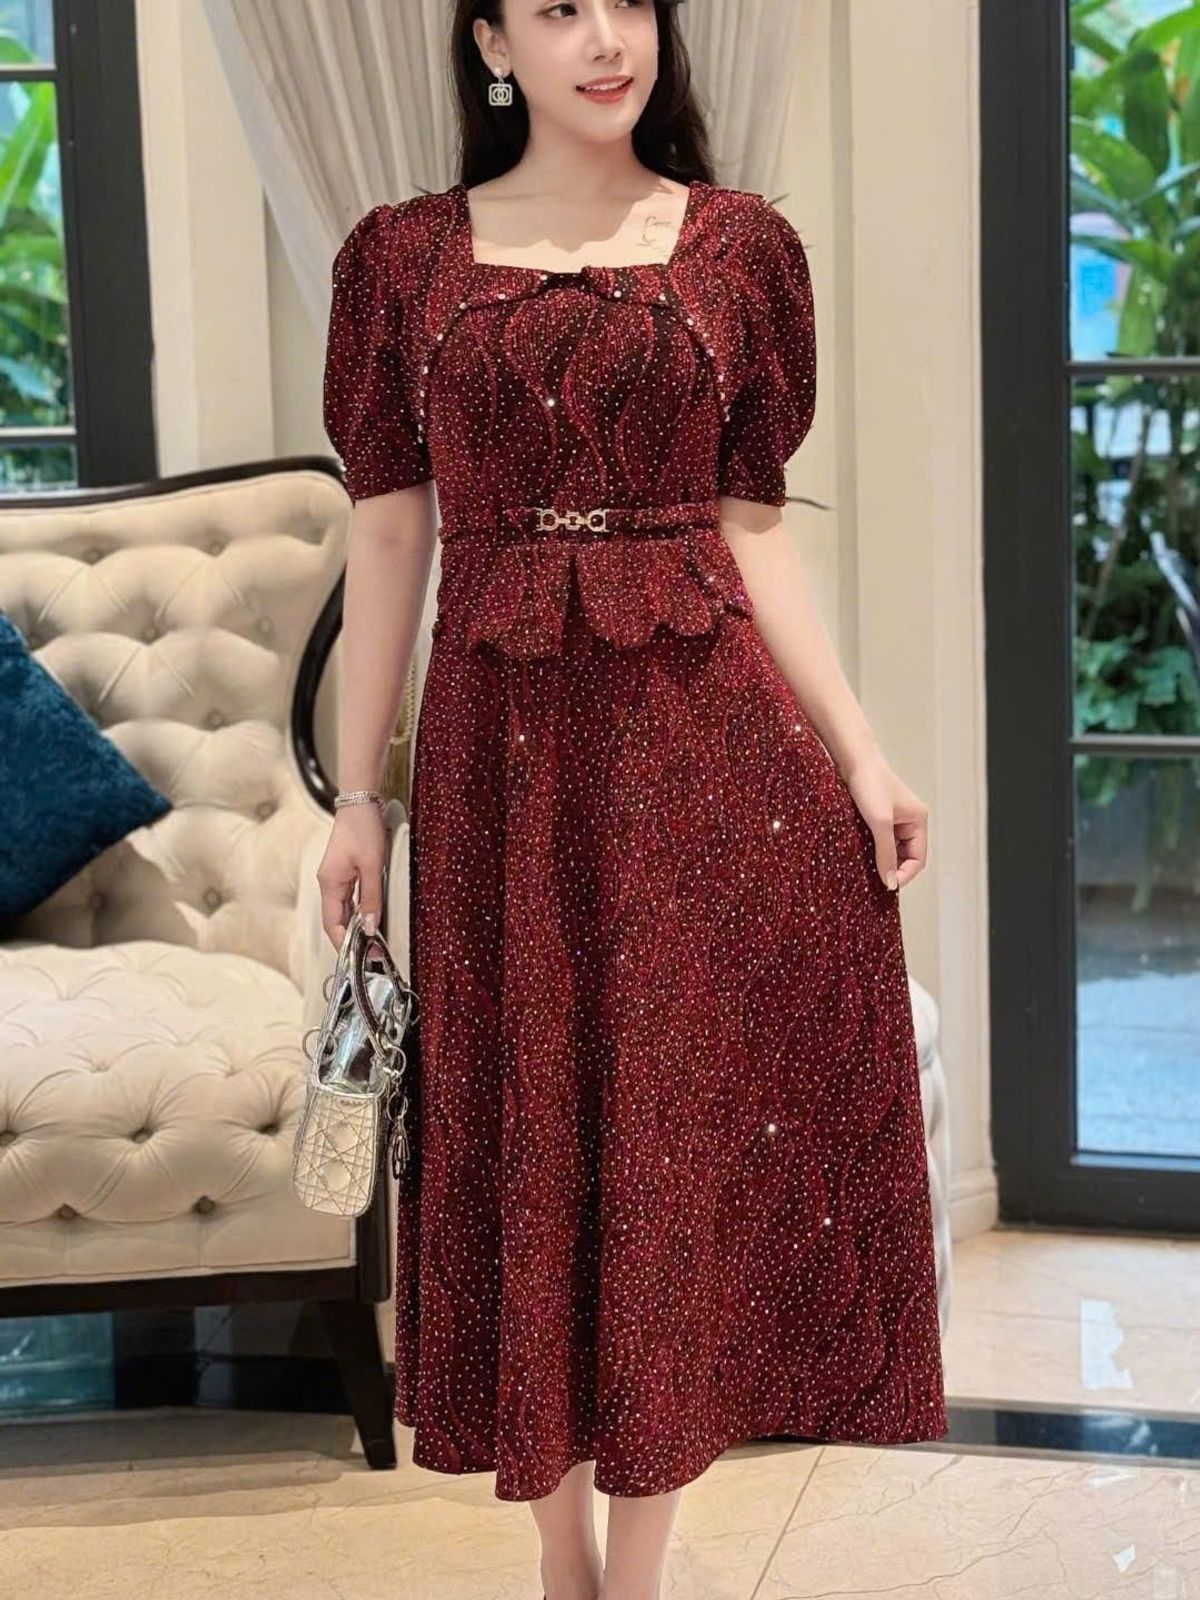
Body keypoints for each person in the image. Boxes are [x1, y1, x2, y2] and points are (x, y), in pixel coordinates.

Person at [317, 2, 948, 1597]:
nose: (607, 40)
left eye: (629, 3)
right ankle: (562, 1562)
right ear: (491, 44)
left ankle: (638, 1575)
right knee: (525, 1115)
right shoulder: (401, 259)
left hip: (704, 750)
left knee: (668, 1133)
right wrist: (359, 799)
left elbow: (753, 528)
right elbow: (387, 538)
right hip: (496, 760)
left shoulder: (740, 249)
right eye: (558, 9)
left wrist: (861, 754)